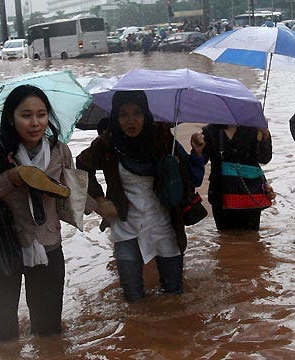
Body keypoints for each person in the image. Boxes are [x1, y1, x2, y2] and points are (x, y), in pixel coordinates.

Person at [0, 85, 78, 341]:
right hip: (1, 249)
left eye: (41, 114)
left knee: (49, 334)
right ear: (10, 118)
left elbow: (71, 204)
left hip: (48, 247)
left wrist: (62, 193)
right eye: (26, 115)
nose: (35, 123)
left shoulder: (60, 151)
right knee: (2, 337)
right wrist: (11, 178)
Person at [76, 90, 203, 302]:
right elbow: (81, 167)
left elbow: (192, 179)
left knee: (174, 294)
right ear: (115, 117)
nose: (131, 121)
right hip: (125, 226)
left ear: (146, 114)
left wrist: (194, 155)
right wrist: (99, 201)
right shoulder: (108, 143)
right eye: (123, 114)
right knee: (132, 298)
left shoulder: (162, 138)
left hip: (165, 225)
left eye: (137, 113)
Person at [196, 124, 274, 231]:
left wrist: (265, 135)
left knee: (251, 238)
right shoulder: (210, 131)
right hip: (220, 195)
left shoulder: (254, 129)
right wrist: (197, 150)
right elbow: (201, 161)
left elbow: (264, 158)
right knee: (225, 237)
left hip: (250, 193)